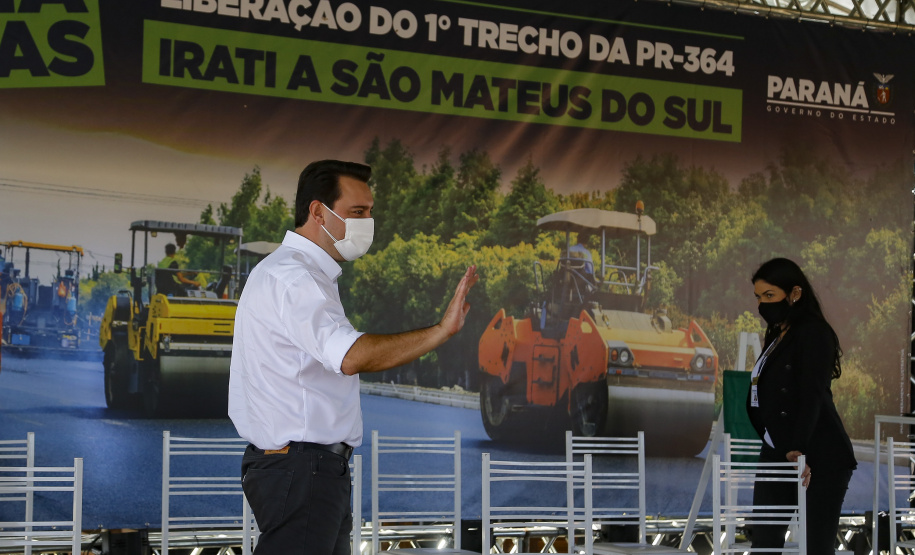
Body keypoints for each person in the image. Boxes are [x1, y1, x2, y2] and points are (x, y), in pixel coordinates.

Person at [228, 159, 479, 555]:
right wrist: (440, 331)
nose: (367, 223)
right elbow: (350, 356)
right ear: (317, 212)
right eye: (357, 212)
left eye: (370, 212)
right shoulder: (296, 278)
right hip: (303, 469)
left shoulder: (296, 273)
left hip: (307, 468)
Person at [746, 257, 856, 554]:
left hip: (818, 454)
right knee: (764, 545)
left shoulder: (814, 332)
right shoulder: (778, 333)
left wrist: (799, 447)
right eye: (758, 297)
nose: (762, 304)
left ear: (795, 293)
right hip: (777, 449)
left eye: (769, 295)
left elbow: (812, 394)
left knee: (815, 547)